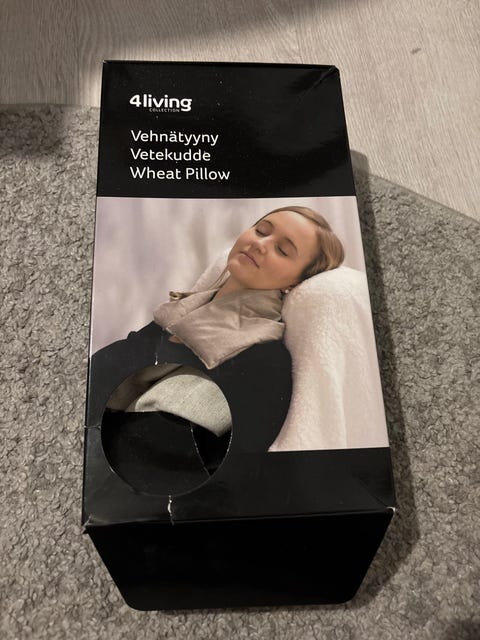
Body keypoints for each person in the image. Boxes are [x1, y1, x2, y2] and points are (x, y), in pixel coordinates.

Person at [86, 206, 344, 488]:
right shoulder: (179, 313)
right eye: (261, 231)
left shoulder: (265, 359)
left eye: (283, 250)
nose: (260, 244)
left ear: (295, 283)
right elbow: (99, 375)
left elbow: (228, 469)